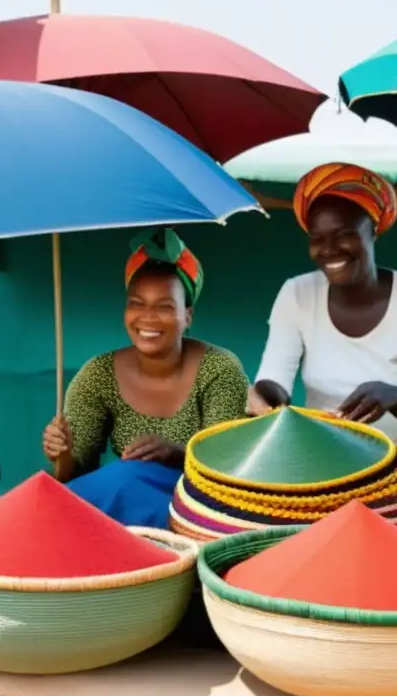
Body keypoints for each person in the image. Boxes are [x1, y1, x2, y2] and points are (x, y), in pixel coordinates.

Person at [247, 162, 397, 498]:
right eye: (318, 239)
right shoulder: (296, 293)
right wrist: (269, 398)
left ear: (372, 230)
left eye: (345, 234)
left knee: (382, 504)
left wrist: (395, 396)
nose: (329, 250)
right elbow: (274, 377)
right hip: (326, 449)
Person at [42, 227, 249, 529]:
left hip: (199, 512)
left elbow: (226, 470)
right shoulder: (98, 375)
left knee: (124, 478)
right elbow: (72, 480)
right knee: (65, 499)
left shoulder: (220, 369)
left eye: (164, 306)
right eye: (136, 303)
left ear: (187, 316)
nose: (147, 317)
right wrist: (62, 454)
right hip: (123, 508)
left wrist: (175, 453)